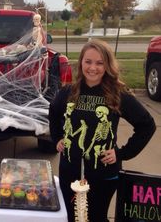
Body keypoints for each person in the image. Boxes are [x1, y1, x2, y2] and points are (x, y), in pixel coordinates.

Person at [49, 39, 155, 222]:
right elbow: (53, 112)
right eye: (88, 61)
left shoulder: (117, 94)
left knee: (96, 217)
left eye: (100, 63)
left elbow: (147, 125)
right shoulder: (68, 92)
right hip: (70, 170)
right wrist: (57, 137)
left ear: (107, 65)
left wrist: (122, 153)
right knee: (72, 217)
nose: (93, 68)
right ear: (81, 62)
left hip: (103, 173)